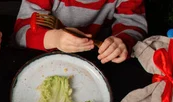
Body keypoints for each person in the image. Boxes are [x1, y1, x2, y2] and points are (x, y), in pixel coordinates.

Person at [13, 0, 147, 64]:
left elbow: (133, 23)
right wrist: (55, 39)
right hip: (40, 57)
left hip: (96, 57)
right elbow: (21, 34)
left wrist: (122, 42)